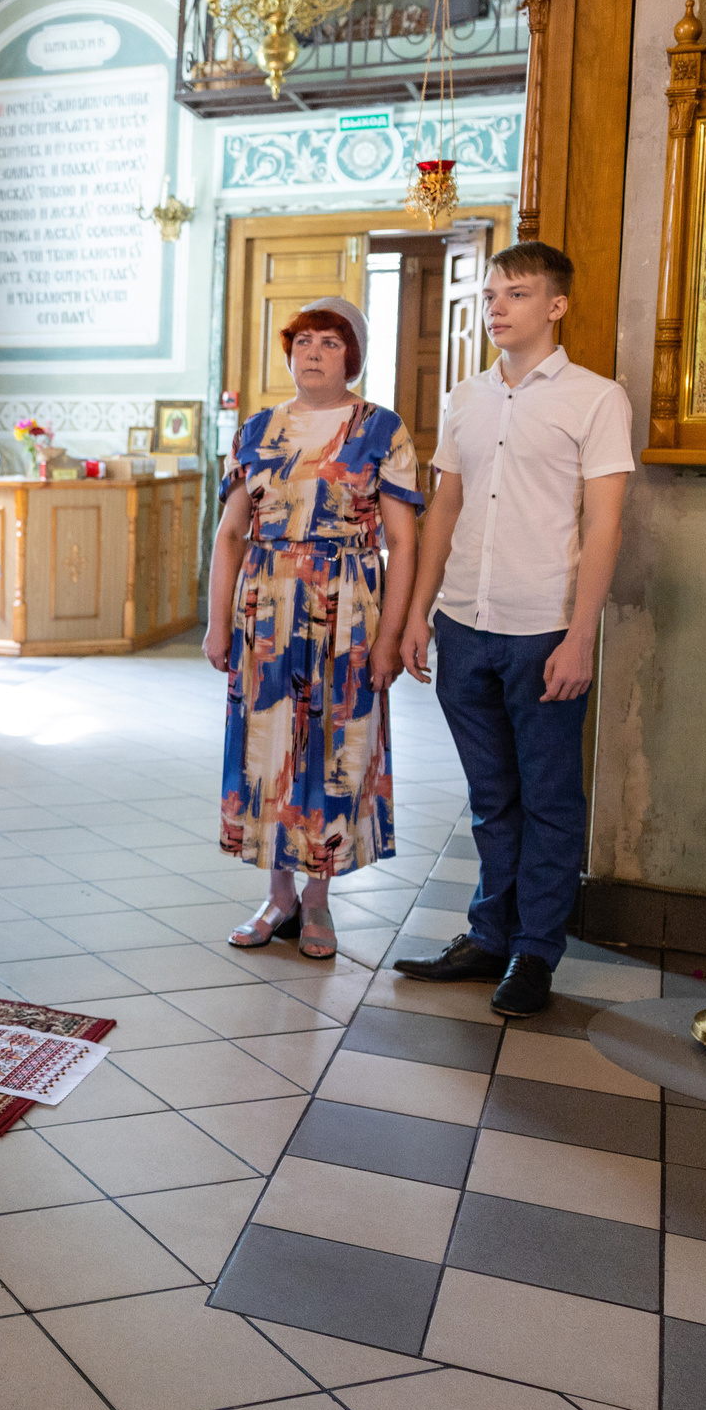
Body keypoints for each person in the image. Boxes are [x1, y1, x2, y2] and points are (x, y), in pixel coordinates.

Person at [396, 241, 632, 1018]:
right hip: (464, 621)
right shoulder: (465, 397)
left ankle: (534, 952)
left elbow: (604, 526)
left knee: (549, 799)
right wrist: (419, 612)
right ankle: (488, 936)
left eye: (517, 293)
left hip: (544, 630)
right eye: (492, 294)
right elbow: (445, 509)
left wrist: (581, 636)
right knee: (491, 796)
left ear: (556, 305)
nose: (497, 306)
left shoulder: (597, 398)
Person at [204, 298, 422, 962]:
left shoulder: (381, 429)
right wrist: (216, 624)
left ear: (352, 356)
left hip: (349, 608)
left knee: (335, 751)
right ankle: (279, 897)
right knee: (268, 751)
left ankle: (319, 899)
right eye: (303, 341)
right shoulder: (257, 431)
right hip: (266, 608)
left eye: (330, 341)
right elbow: (231, 533)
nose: (314, 352)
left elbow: (404, 543)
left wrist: (390, 637)